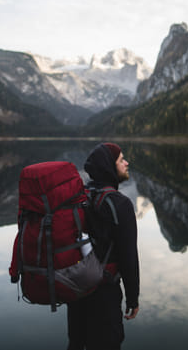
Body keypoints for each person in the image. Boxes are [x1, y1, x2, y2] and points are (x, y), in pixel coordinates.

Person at [67, 142, 140, 350]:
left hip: (76, 291)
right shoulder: (121, 204)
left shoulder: (79, 196)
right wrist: (133, 298)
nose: (127, 163)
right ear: (109, 166)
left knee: (76, 343)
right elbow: (128, 257)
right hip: (105, 293)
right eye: (121, 160)